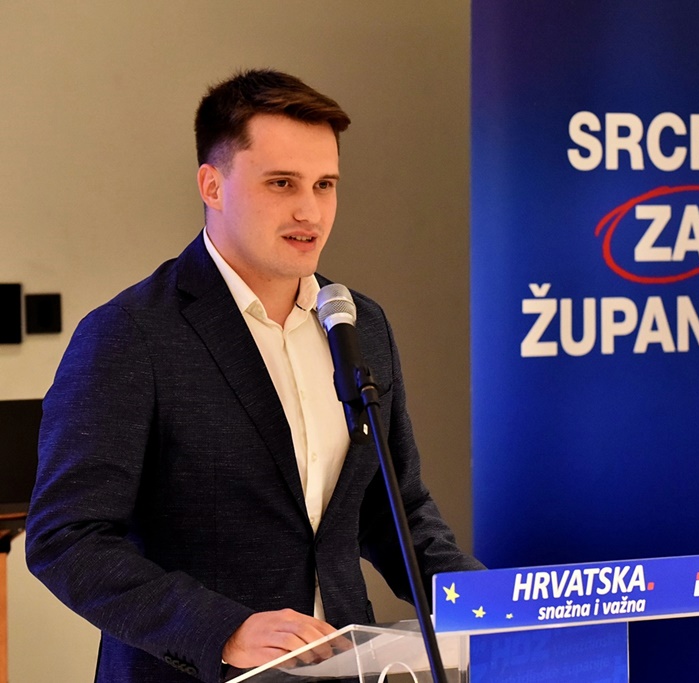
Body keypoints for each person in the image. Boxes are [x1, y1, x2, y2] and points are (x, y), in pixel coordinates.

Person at [26, 69, 483, 683]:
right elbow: (67, 537)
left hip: (347, 668)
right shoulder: (130, 334)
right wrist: (226, 630)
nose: (309, 210)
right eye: (281, 183)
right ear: (212, 185)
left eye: (325, 185)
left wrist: (491, 608)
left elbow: (394, 510)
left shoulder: (358, 323)